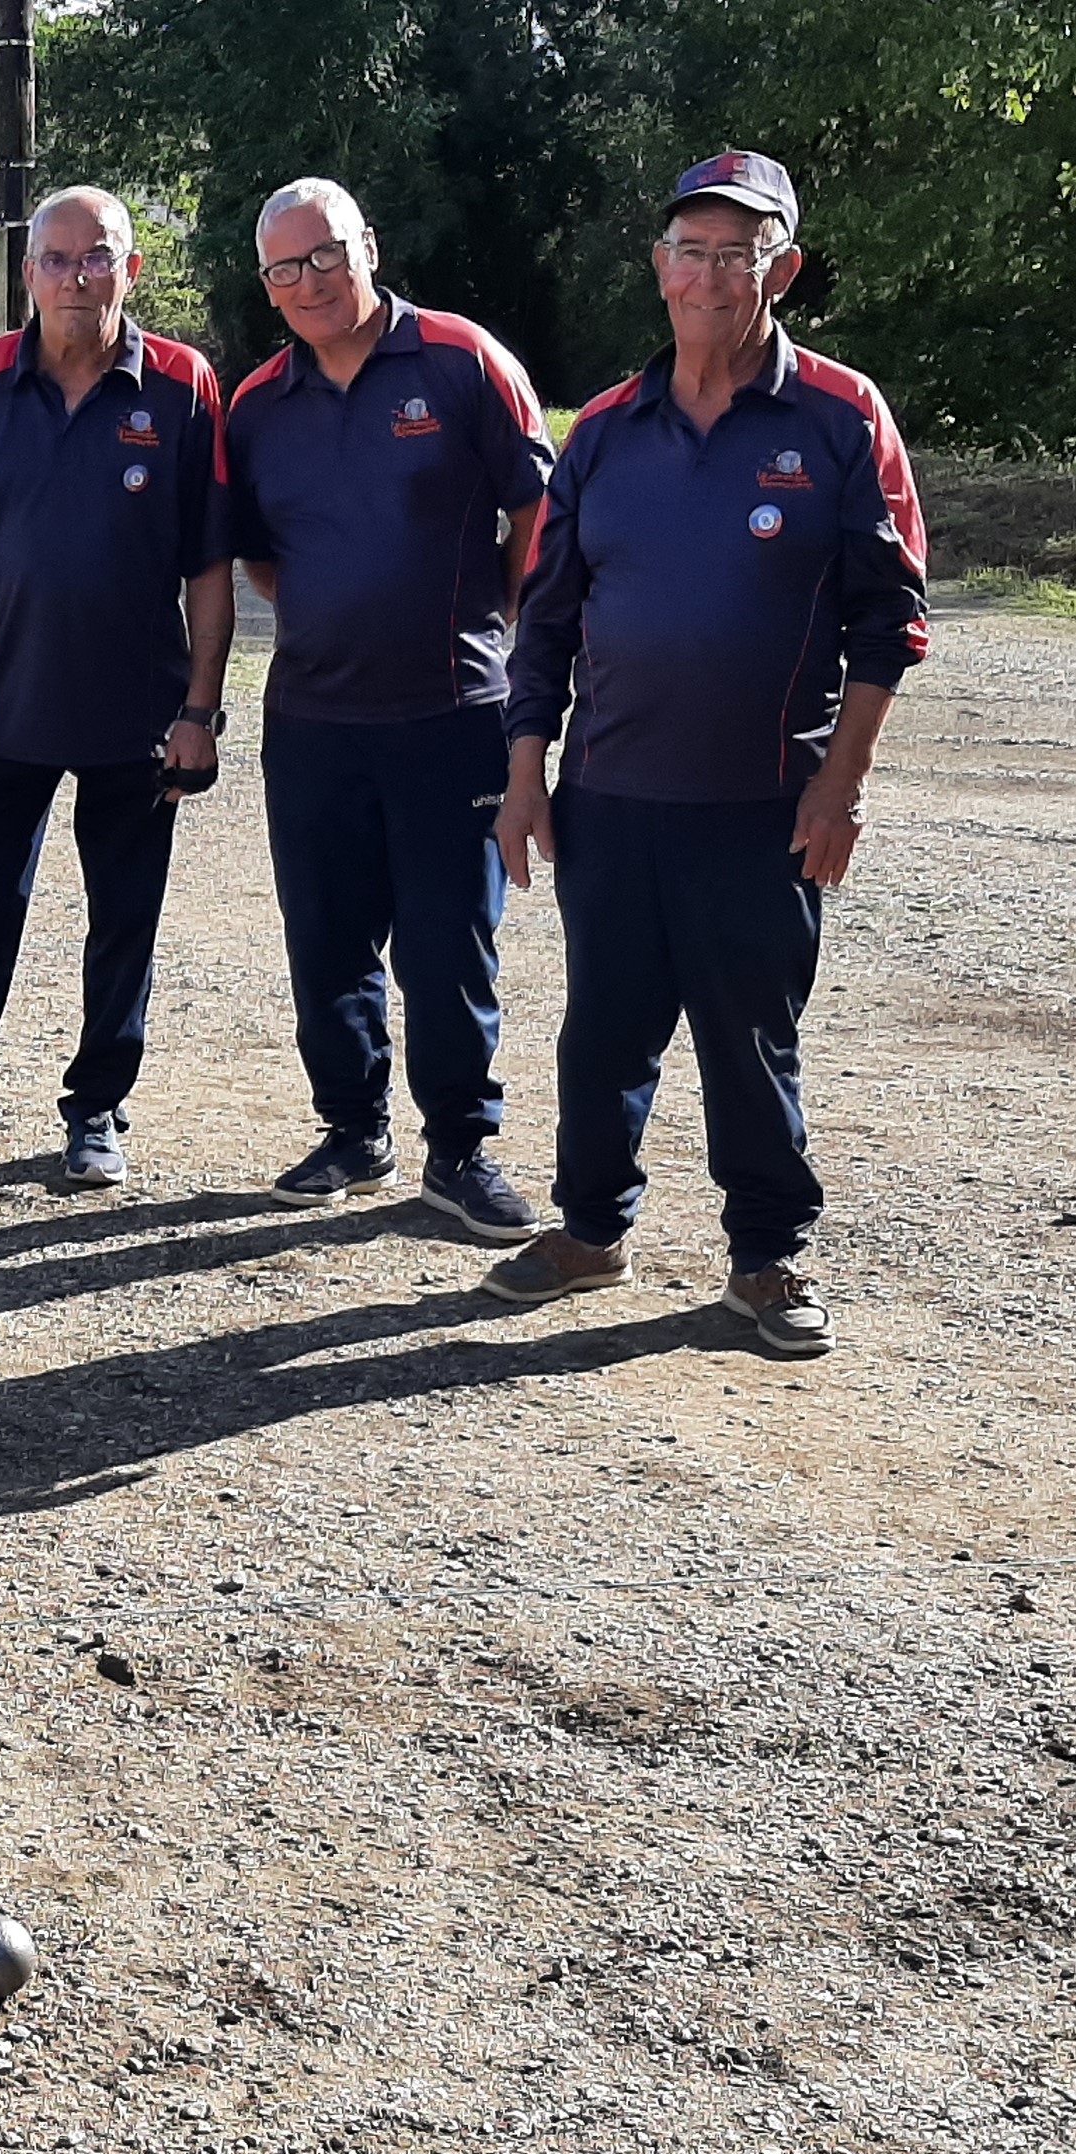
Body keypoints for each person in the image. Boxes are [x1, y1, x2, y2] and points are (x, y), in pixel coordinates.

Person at [487, 150, 928, 1357]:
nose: (710, 275)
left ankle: (768, 1260)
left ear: (780, 269)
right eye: (691, 249)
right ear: (658, 265)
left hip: (764, 804)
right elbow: (548, 618)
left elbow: (889, 619)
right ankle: (587, 1231)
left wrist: (840, 786)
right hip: (613, 797)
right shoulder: (604, 435)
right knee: (603, 1026)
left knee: (749, 1035)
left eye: (739, 253)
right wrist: (527, 773)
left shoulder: (840, 418)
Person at [223, 178, 555, 1240]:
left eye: (324, 255)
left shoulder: (462, 361)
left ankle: (459, 1147)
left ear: (367, 245)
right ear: (267, 288)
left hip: (452, 710)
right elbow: (260, 558)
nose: (309, 281)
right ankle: (351, 1126)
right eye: (285, 268)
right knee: (324, 936)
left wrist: (493, 615)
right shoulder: (257, 405)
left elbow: (538, 506)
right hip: (313, 717)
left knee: (448, 945)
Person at [0, 184, 235, 1198]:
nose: (77, 274)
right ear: (28, 272)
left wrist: (201, 710)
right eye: (57, 257)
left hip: (140, 717)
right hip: (1, 712)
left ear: (131, 269)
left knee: (123, 921)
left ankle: (96, 1112)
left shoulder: (183, 386)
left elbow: (208, 568)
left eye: (99, 256)